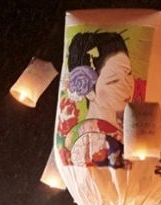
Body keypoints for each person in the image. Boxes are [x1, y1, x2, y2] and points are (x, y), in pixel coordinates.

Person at [57, 31, 135, 168]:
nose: (127, 85)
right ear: (89, 91)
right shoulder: (94, 139)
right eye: (114, 81)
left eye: (128, 73)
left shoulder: (119, 126)